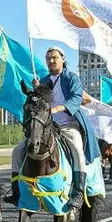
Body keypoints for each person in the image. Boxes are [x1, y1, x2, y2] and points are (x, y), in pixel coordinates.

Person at [6, 46, 95, 210]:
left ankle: (78, 192)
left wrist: (58, 108)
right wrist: (36, 89)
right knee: (17, 151)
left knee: (77, 149)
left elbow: (76, 97)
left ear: (63, 59)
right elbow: (37, 102)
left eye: (54, 57)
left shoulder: (72, 78)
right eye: (48, 58)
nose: (51, 61)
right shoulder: (44, 79)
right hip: (47, 126)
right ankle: (16, 190)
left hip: (68, 124)